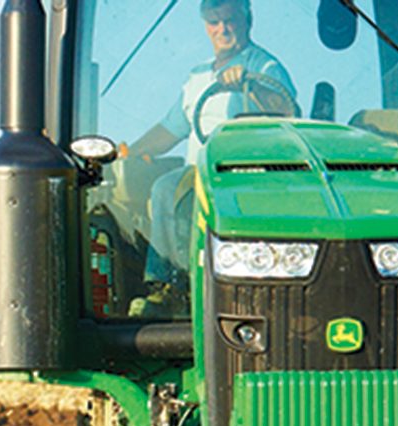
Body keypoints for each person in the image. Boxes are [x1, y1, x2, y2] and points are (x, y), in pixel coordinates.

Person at [125, 0, 297, 285]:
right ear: (205, 26)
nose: (223, 28)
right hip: (200, 173)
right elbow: (169, 130)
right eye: (214, 21)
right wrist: (127, 153)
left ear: (247, 21)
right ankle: (168, 284)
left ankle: (166, 283)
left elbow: (287, 110)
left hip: (244, 174)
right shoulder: (198, 76)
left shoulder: (264, 66)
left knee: (167, 188)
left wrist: (249, 85)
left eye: (230, 20)